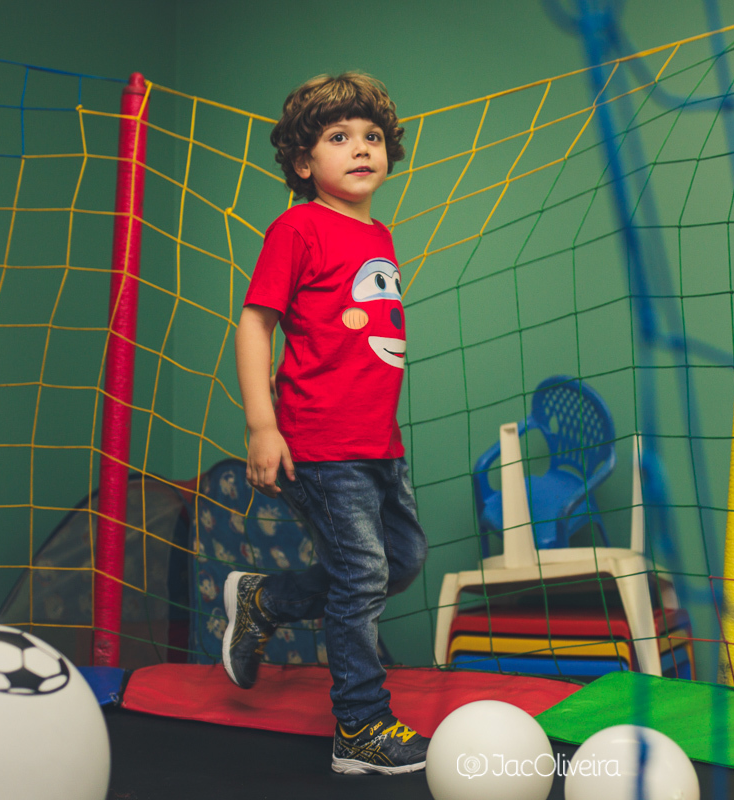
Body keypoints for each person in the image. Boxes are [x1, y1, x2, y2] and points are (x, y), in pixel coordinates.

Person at [228, 72, 429, 775]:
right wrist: (263, 425)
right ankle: (360, 727)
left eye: (371, 137)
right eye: (339, 137)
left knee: (400, 562)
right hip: (318, 440)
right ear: (304, 161)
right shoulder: (297, 227)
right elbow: (256, 324)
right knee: (363, 573)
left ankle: (264, 600)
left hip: (379, 444)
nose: (362, 148)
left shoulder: (380, 234)